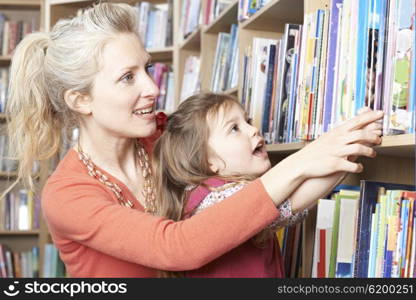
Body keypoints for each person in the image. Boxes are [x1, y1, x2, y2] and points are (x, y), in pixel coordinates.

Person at [5, 2, 383, 277]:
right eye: (127, 77)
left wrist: (344, 150)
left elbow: (253, 209)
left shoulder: (170, 136)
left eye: (148, 68)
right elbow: (176, 247)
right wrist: (304, 160)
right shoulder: (66, 195)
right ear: (80, 99)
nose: (153, 88)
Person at [153, 93, 311, 277]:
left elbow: (295, 208)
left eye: (248, 121)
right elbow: (294, 202)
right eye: (234, 128)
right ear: (207, 161)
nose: (254, 129)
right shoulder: (218, 197)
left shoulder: (206, 191)